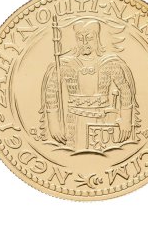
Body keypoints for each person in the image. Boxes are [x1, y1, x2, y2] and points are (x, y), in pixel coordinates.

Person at [38, 19, 137, 152]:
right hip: (74, 122)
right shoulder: (65, 65)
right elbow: (51, 93)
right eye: (80, 38)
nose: (85, 43)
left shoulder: (110, 64)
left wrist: (126, 120)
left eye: (89, 38)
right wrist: (54, 124)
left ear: (97, 38)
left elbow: (125, 91)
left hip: (103, 121)